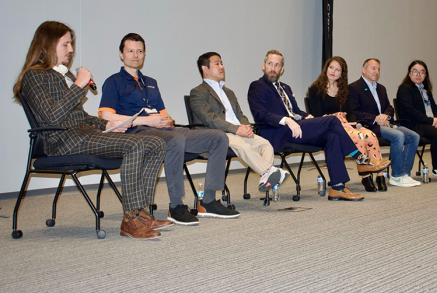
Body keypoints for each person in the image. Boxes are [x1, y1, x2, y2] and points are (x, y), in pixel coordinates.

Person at [13, 21, 172, 240]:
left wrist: (107, 125)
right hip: (62, 141)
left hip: (83, 135)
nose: (71, 50)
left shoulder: (64, 75)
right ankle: (130, 219)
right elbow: (51, 117)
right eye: (65, 44)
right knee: (135, 144)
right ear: (47, 44)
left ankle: (139, 211)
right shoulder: (35, 76)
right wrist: (79, 86)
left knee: (156, 143)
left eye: (71, 44)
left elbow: (80, 116)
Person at [99, 33, 239, 224]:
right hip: (136, 133)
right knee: (176, 140)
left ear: (144, 54)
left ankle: (208, 201)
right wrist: (147, 121)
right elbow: (106, 115)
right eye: (130, 51)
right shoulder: (113, 81)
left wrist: (166, 120)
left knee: (218, 137)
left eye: (139, 51)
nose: (135, 55)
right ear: (121, 54)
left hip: (162, 130)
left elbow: (163, 114)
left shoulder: (151, 82)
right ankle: (176, 206)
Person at [248, 50, 390, 202]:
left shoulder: (286, 88)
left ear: (282, 69)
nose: (273, 68)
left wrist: (305, 116)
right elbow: (260, 114)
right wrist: (286, 120)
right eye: (270, 64)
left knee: (333, 137)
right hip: (278, 132)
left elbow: (295, 111)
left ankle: (338, 187)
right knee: (333, 121)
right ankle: (361, 160)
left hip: (297, 128)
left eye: (277, 65)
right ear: (264, 66)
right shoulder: (257, 86)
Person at [190, 52, 289, 192]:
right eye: (217, 63)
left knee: (265, 144)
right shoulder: (198, 92)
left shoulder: (228, 92)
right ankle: (270, 171)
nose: (222, 67)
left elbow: (239, 114)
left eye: (222, 63)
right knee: (242, 145)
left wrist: (246, 126)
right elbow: (209, 119)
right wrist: (236, 129)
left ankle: (267, 176)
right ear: (205, 69)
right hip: (216, 135)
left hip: (237, 133)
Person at [307, 56, 390, 192]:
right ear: (326, 69)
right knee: (359, 137)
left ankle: (380, 175)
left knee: (370, 135)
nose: (333, 71)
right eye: (331, 67)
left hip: (346, 124)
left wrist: (354, 124)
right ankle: (366, 176)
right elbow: (317, 116)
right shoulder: (315, 90)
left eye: (337, 69)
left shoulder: (343, 89)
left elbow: (350, 112)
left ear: (342, 73)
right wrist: (340, 124)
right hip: (328, 126)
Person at [348, 58, 421, 187]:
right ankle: (396, 176)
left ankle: (404, 173)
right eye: (373, 68)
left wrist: (385, 116)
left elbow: (389, 107)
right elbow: (355, 112)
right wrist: (376, 118)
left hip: (386, 123)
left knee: (414, 136)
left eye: (378, 69)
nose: (376, 71)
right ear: (363, 70)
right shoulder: (354, 87)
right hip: (369, 126)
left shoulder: (381, 88)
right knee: (398, 136)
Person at [396, 60, 437, 182]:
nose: (418, 74)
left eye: (422, 72)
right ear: (409, 74)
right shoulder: (404, 89)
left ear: (425, 75)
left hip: (429, 123)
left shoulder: (425, 89)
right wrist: (431, 121)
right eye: (415, 71)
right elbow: (411, 110)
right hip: (414, 124)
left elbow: (434, 107)